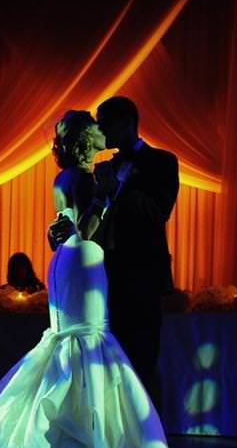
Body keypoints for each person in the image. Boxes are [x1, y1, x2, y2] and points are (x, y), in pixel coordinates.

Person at [0, 110, 172, 448]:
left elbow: (65, 230)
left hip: (70, 259)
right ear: (83, 138)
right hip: (83, 258)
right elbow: (86, 228)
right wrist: (111, 192)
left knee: (74, 340)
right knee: (84, 341)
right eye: (95, 127)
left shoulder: (68, 176)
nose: (101, 130)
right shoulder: (82, 178)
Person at [47, 96, 178, 416]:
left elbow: (158, 211)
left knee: (143, 359)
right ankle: (111, 440)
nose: (100, 128)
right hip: (103, 277)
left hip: (142, 276)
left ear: (126, 123)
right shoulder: (99, 170)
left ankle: (149, 447)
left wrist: (121, 188)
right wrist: (61, 228)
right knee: (107, 363)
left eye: (104, 121)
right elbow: (84, 222)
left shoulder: (162, 161)